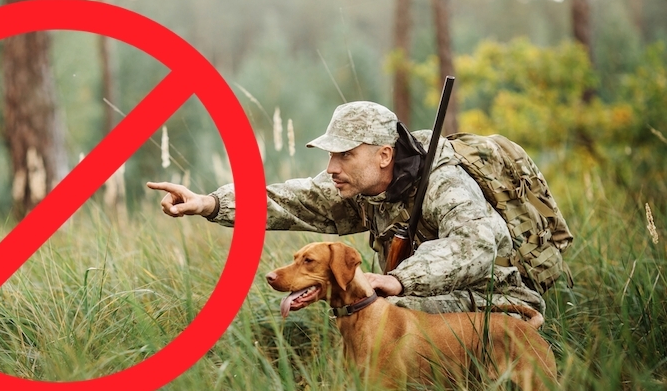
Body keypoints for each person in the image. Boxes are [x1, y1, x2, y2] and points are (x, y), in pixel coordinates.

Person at [147, 101, 545, 315]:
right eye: (331, 155)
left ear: (385, 155)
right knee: (367, 310)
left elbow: (478, 244)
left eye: (345, 155)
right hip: (424, 298)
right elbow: (289, 199)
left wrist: (399, 280)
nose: (332, 168)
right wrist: (210, 203)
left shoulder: (443, 181)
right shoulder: (358, 185)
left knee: (387, 309)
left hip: (498, 299)